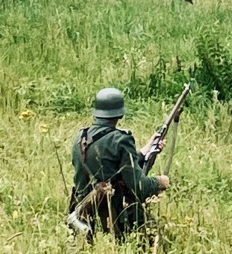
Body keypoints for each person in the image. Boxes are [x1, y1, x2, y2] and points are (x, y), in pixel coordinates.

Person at [69, 87, 169, 240]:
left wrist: (145, 151)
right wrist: (159, 182)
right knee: (156, 237)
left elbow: (111, 167)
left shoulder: (80, 138)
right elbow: (139, 187)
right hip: (115, 215)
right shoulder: (121, 140)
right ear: (120, 113)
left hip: (83, 213)